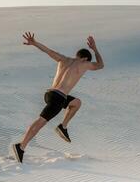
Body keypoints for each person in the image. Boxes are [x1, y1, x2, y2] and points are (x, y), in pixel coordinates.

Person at [13, 32, 104, 163]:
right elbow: (100, 65)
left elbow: (48, 51)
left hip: (50, 94)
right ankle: (20, 146)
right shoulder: (84, 64)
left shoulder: (64, 59)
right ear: (85, 58)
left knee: (77, 103)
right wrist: (95, 49)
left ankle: (63, 126)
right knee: (40, 122)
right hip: (58, 98)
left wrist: (34, 43)